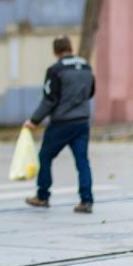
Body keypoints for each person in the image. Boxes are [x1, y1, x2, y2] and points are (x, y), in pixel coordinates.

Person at [24, 35, 96, 213]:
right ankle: (86, 201)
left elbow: (50, 99)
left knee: (45, 157)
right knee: (82, 161)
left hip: (61, 123)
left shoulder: (55, 70)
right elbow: (91, 92)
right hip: (82, 122)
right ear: (70, 48)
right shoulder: (87, 66)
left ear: (55, 51)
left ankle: (42, 196)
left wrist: (34, 120)